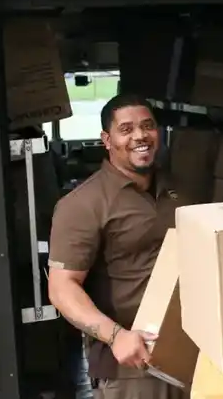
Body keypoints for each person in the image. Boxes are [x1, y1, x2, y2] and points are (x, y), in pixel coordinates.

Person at [47, 93, 189, 398]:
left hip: (189, 351)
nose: (140, 136)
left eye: (147, 126)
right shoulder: (83, 205)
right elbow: (62, 288)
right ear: (107, 139)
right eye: (126, 129)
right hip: (131, 367)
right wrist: (116, 337)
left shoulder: (176, 188)